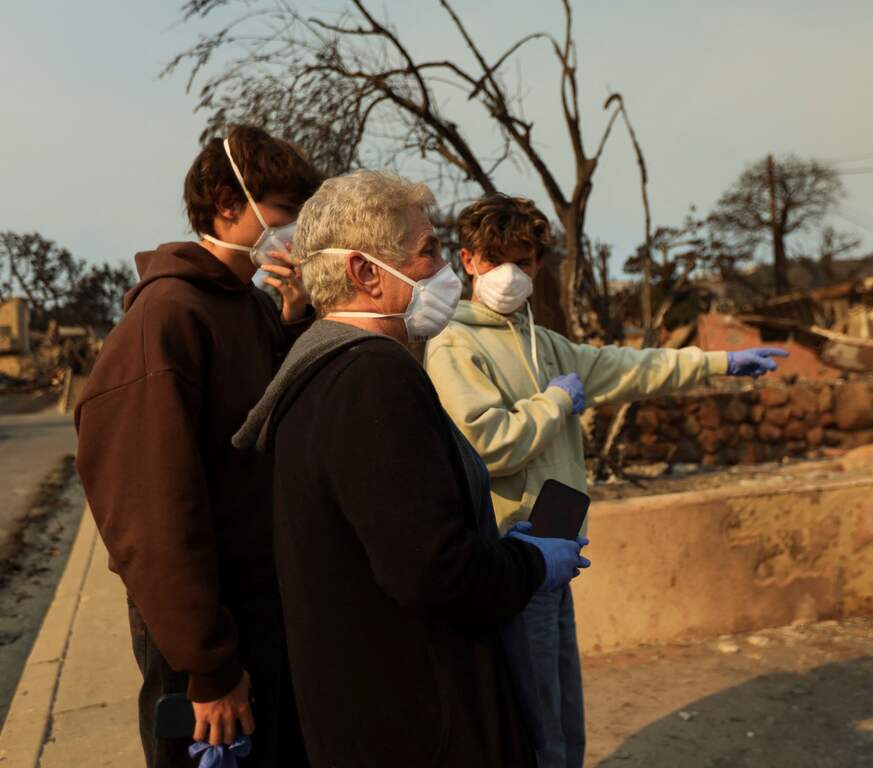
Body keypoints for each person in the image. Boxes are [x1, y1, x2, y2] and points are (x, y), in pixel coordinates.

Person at [232, 170, 591, 768]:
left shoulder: (321, 367)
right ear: (365, 272)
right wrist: (531, 562)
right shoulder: (373, 378)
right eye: (426, 250)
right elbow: (432, 570)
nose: (445, 268)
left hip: (369, 709)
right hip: (417, 721)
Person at [423, 192, 787, 768]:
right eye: (496, 260)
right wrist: (554, 403)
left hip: (557, 549)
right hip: (514, 558)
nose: (511, 274)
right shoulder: (453, 343)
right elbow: (487, 443)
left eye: (525, 259)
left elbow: (629, 367)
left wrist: (718, 362)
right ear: (468, 262)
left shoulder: (544, 343)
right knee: (536, 723)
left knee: (564, 716)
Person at [75, 125, 321, 767]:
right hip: (204, 642)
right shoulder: (167, 317)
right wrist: (207, 665)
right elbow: (150, 512)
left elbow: (269, 432)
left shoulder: (253, 307)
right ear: (225, 202)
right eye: (286, 211)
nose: (294, 228)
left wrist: (295, 319)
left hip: (261, 617)